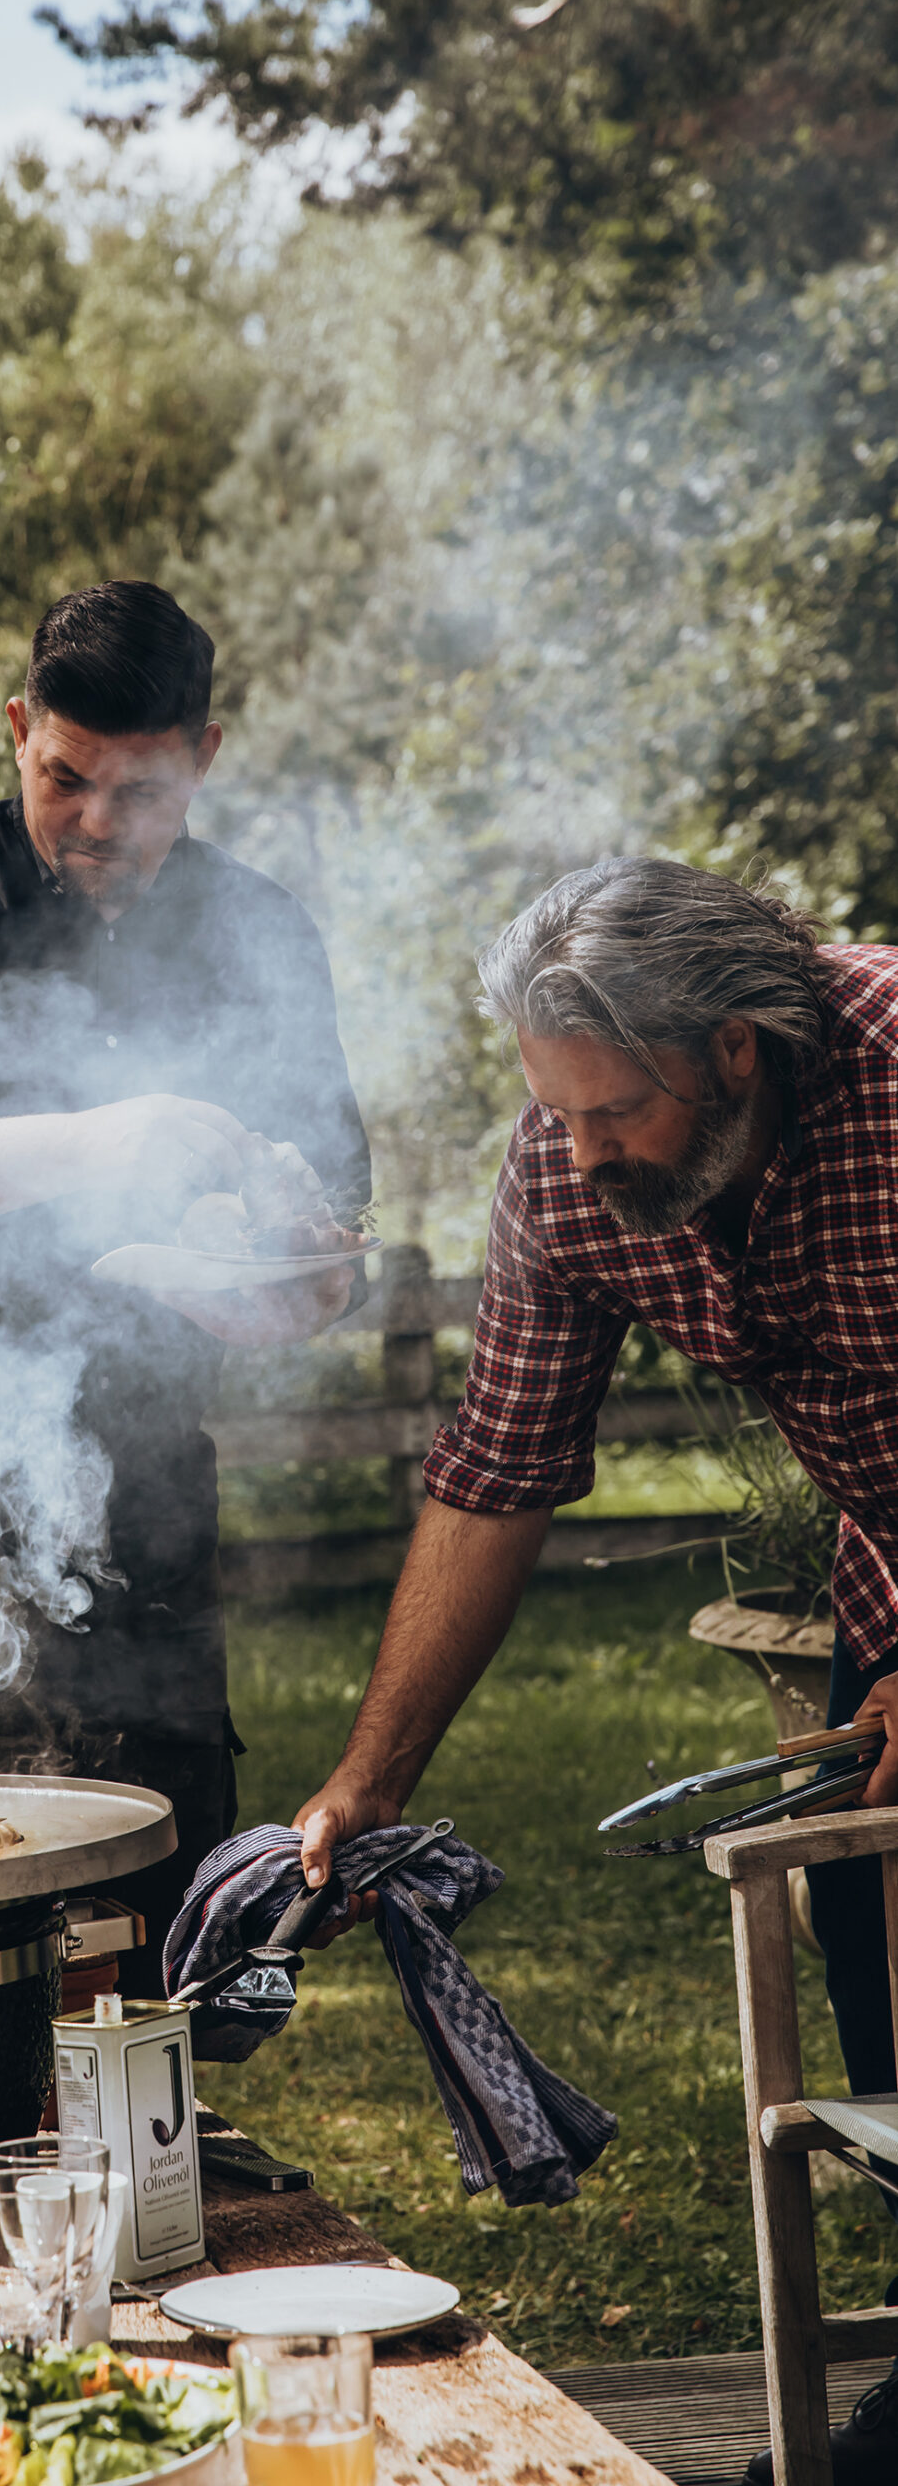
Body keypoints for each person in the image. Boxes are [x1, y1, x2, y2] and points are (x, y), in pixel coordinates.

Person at [290, 856, 898, 2484]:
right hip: (888, 1582)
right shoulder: (570, 1181)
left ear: (734, 1053)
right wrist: (373, 1777)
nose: (577, 1151)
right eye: (553, 1110)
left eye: (611, 1109)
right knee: (873, 1926)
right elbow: (499, 1469)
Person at [0, 579, 370, 1988]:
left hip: (139, 1504)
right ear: (18, 729)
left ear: (205, 757)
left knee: (156, 1940)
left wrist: (283, 1284)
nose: (99, 823)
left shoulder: (256, 934)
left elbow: (328, 1227)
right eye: (64, 779)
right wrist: (101, 1142)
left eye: (142, 791)